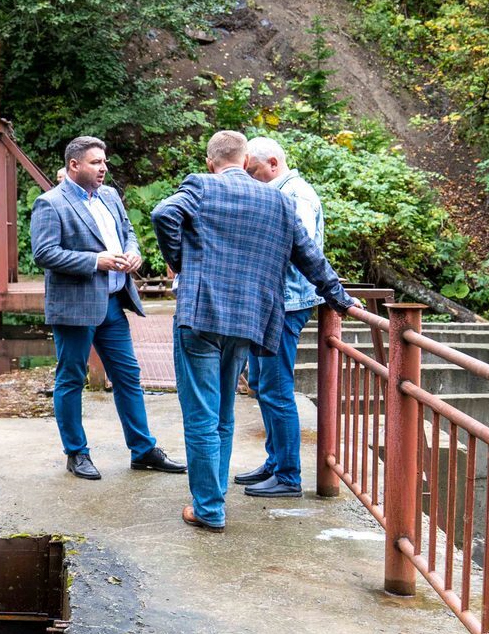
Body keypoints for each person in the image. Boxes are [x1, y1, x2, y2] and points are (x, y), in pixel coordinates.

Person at [150, 130, 354, 532]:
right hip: (247, 320)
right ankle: (213, 497)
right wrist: (340, 298)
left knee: (201, 415)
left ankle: (208, 507)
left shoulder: (201, 186)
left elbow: (162, 215)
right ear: (245, 162)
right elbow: (310, 255)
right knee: (223, 412)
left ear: (211, 162)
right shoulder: (277, 199)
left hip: (201, 314)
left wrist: (180, 261)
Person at [30, 135, 186, 481]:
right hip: (75, 307)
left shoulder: (111, 196)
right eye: (96, 162)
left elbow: (127, 232)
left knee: (128, 376)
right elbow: (44, 253)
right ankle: (76, 453)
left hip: (114, 303)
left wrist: (134, 253)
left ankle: (143, 450)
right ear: (74, 165)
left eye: (105, 162)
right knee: (70, 378)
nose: (103, 168)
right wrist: (95, 260)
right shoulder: (50, 204)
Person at [235, 136, 325, 498]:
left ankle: (288, 476)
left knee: (276, 388)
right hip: (274, 300)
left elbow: (295, 247)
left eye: (253, 172)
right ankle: (275, 462)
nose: (252, 179)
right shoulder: (280, 191)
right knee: (262, 382)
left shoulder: (296, 195)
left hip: (287, 302)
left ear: (272, 163)